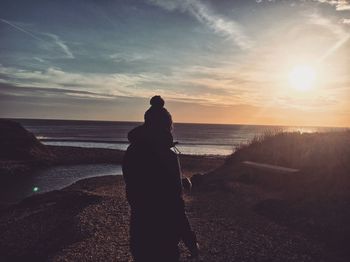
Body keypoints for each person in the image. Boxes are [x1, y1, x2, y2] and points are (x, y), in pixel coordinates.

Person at [122, 96, 199, 262]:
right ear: (167, 125)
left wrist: (178, 180)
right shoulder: (167, 156)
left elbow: (135, 190)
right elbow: (175, 207)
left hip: (139, 231)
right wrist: (191, 243)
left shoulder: (132, 151)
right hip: (164, 236)